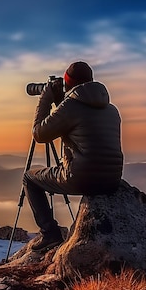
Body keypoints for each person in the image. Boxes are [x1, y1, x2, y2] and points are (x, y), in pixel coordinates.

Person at [24, 61, 124, 252]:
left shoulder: (71, 107)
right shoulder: (112, 109)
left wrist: (45, 99)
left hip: (82, 179)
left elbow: (39, 134)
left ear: (68, 84)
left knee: (29, 178)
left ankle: (50, 234)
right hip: (112, 180)